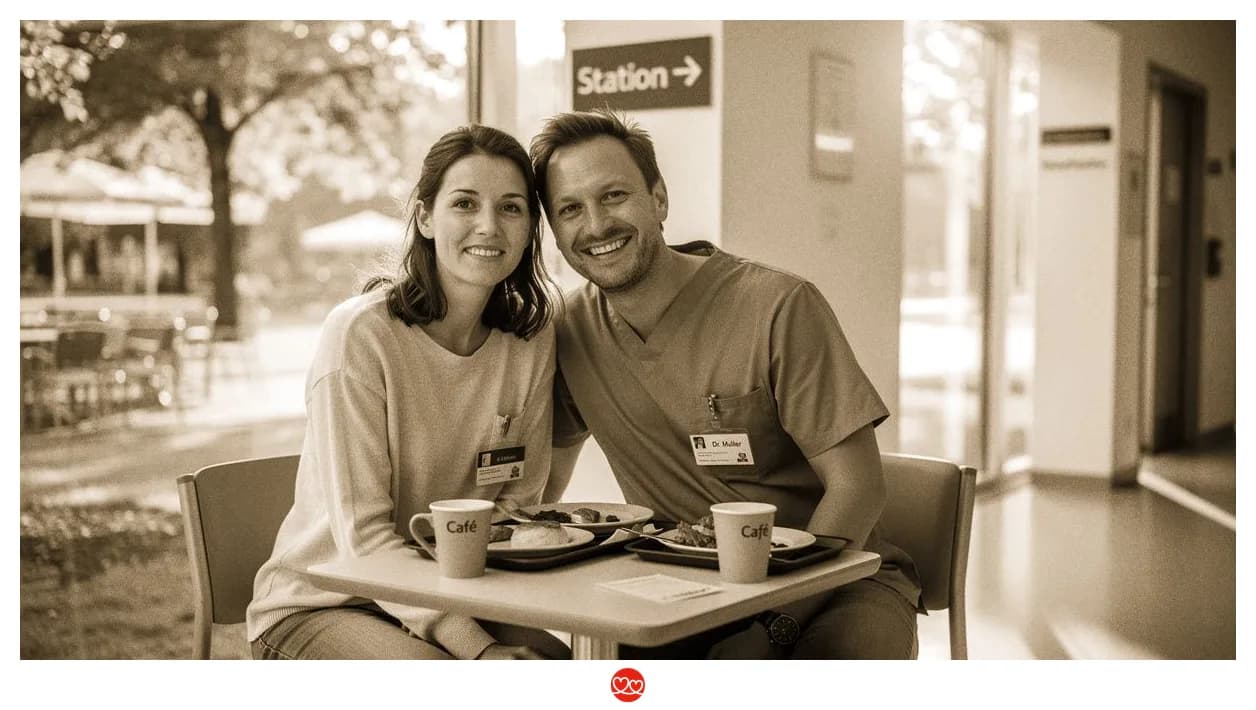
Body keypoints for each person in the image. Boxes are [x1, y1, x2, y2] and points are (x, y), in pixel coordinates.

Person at [531, 110, 922, 659]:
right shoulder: (571, 332)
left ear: (658, 200)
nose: (595, 226)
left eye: (614, 196)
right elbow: (545, 471)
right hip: (677, 586)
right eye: (570, 209)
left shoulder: (777, 307)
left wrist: (772, 622)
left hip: (833, 584)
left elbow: (859, 488)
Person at [246, 125, 569, 660]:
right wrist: (479, 649)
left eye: (511, 208)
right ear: (424, 217)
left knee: (561, 667)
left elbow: (516, 505)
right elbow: (365, 542)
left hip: (459, 593)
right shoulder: (360, 335)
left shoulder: (530, 341)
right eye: (465, 203)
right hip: (325, 603)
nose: (488, 225)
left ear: (531, 227)